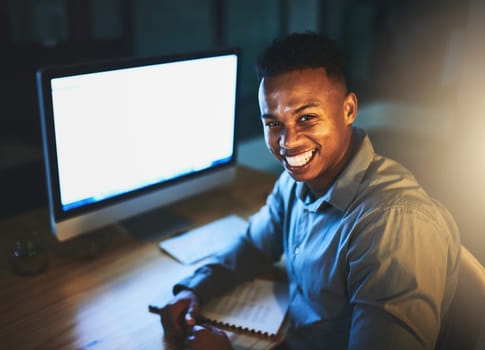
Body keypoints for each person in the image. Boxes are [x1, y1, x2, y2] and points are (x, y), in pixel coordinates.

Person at [158, 31, 461, 350]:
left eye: (306, 118)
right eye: (274, 123)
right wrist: (194, 289)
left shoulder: (393, 224)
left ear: (348, 110)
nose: (288, 142)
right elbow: (253, 245)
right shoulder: (295, 182)